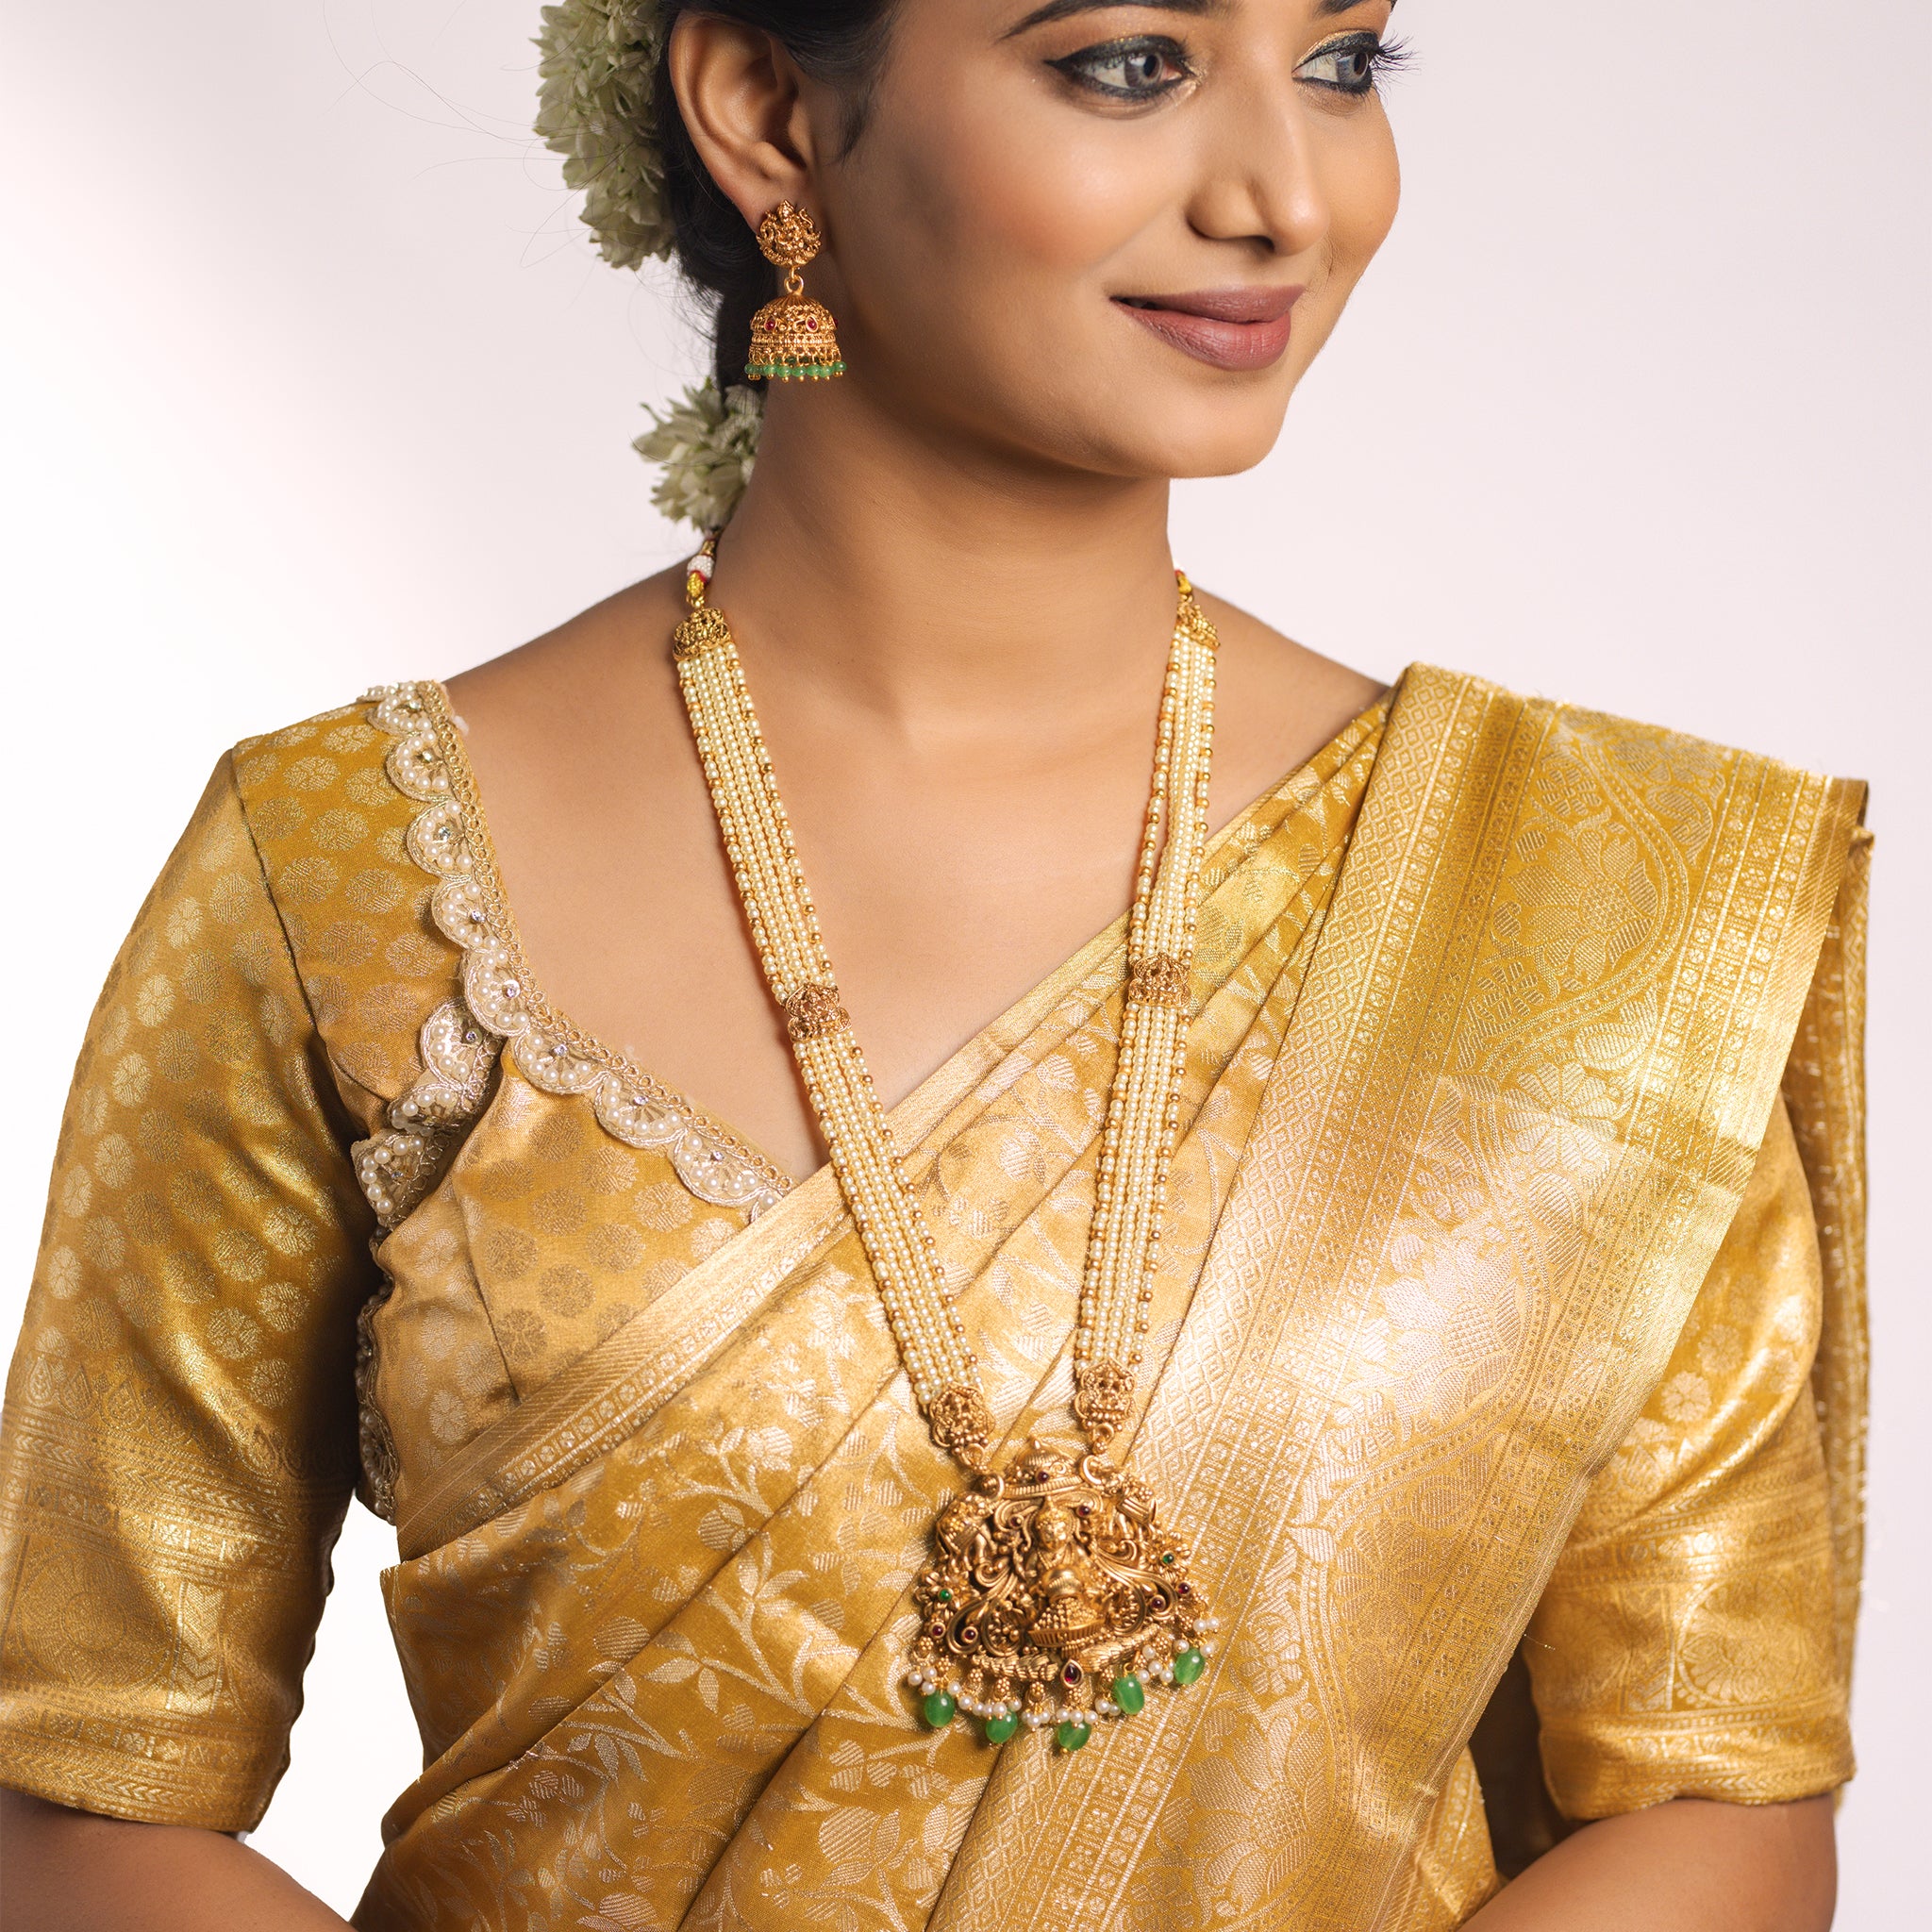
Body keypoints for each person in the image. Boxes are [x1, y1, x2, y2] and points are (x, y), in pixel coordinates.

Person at [0, 3, 1868, 1926]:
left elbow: (1715, 1792)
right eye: (1130, 64)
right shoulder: (346, 883)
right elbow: (86, 1801)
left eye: (1342, 61)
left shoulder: (1584, 905)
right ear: (765, 109)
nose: (1287, 197)